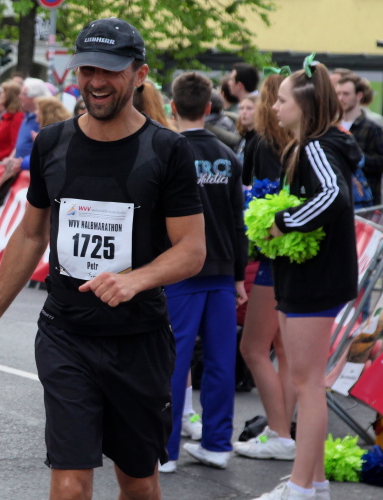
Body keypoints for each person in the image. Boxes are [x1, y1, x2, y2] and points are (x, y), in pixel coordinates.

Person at [0, 18, 206, 500]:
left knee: (138, 484)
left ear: (139, 74)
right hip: (66, 334)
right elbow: (31, 234)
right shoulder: (52, 142)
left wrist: (135, 280)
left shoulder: (167, 150)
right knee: (70, 486)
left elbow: (192, 250)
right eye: (87, 69)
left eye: (110, 70)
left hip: (138, 340)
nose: (95, 81)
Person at [254, 58, 359, 500]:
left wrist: (283, 221)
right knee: (306, 381)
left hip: (316, 279)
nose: (274, 107)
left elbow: (334, 196)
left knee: (307, 384)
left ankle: (300, 488)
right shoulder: (312, 145)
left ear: (305, 106)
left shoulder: (314, 146)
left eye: (282, 100)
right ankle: (314, 483)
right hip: (311, 277)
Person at [160, 71, 247, 474]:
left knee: (173, 361)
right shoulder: (228, 156)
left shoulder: (169, 152)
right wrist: (238, 275)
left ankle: (166, 450)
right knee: (220, 361)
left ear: (173, 106)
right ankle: (216, 444)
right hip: (222, 271)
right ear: (209, 107)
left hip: (181, 271)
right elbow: (238, 222)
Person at [235, 71, 297, 464]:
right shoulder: (300, 145)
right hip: (297, 256)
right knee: (283, 350)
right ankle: (282, 430)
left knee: (253, 347)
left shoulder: (262, 142)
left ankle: (279, 432)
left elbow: (253, 194)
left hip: (273, 255)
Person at [335, 72, 383, 205]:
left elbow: (380, 162)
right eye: (338, 93)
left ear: (359, 95)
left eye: (346, 94)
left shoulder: (372, 128)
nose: (341, 98)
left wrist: (358, 157)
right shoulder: (332, 126)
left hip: (364, 201)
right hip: (339, 198)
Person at [236, 94, 258, 163]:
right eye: (241, 108)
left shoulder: (261, 140)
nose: (244, 112)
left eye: (249, 108)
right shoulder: (244, 136)